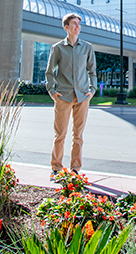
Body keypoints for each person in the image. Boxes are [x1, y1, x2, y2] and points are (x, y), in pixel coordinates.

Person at [45, 12, 97, 178]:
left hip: (83, 96)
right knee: (60, 135)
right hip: (64, 96)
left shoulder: (87, 48)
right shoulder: (58, 48)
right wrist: (52, 91)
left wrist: (92, 90)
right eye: (74, 24)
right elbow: (49, 72)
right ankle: (56, 169)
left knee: (78, 135)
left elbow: (92, 71)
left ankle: (75, 169)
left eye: (79, 24)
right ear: (66, 28)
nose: (77, 26)